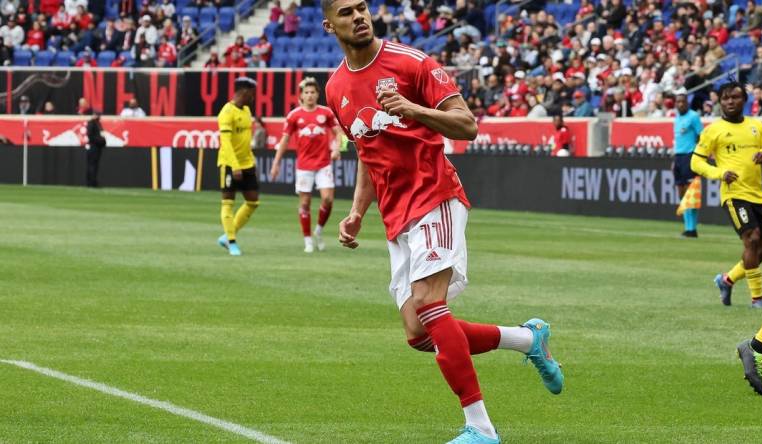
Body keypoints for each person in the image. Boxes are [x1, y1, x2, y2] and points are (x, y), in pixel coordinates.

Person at [321, 1, 564, 443]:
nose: (358, 16)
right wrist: (357, 212)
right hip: (396, 216)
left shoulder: (412, 63)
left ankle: (480, 429)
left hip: (435, 195)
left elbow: (467, 125)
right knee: (418, 333)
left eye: (362, 8)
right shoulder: (336, 85)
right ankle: (529, 341)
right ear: (329, 25)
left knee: (432, 307)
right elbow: (365, 150)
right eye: (345, 12)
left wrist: (413, 110)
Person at [691, 81, 762, 309]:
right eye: (725, 98)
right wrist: (719, 173)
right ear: (720, 102)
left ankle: (727, 280)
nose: (730, 102)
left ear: (744, 100)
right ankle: (757, 299)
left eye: (735, 97)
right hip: (734, 195)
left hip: (757, 195)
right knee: (752, 238)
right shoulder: (713, 130)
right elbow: (696, 161)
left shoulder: (756, 126)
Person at [270, 77, 342, 253]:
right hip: (304, 166)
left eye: (313, 92)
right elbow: (285, 141)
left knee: (327, 199)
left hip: (323, 163)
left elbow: (338, 133)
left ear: (318, 94)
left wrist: (336, 148)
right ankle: (308, 240)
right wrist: (276, 163)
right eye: (306, 92)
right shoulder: (294, 116)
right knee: (305, 203)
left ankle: (319, 230)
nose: (310, 95)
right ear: (301, 96)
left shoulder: (326, 113)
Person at [215, 77, 261, 256]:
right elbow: (225, 143)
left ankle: (227, 235)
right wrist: (234, 166)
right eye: (252, 94)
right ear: (243, 92)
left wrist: (251, 161)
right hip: (229, 164)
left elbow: (246, 141)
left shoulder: (247, 110)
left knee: (253, 201)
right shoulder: (226, 112)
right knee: (228, 202)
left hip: (247, 163)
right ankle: (232, 242)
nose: (253, 98)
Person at [673, 91, 704, 237]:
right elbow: (678, 140)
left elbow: (702, 136)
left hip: (689, 156)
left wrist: (698, 156)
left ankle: (692, 228)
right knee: (681, 193)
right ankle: (687, 227)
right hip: (679, 157)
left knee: (690, 192)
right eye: (678, 102)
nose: (680, 104)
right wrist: (674, 159)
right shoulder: (677, 118)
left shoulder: (693, 117)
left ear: (687, 103)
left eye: (682, 102)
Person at [85, 111, 106, 187]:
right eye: (97, 115)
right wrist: (100, 140)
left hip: (98, 147)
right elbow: (90, 136)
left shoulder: (98, 123)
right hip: (93, 146)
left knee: (94, 165)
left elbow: (101, 135)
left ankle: (93, 182)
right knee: (92, 165)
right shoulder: (91, 123)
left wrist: (103, 142)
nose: (98, 116)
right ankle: (91, 182)